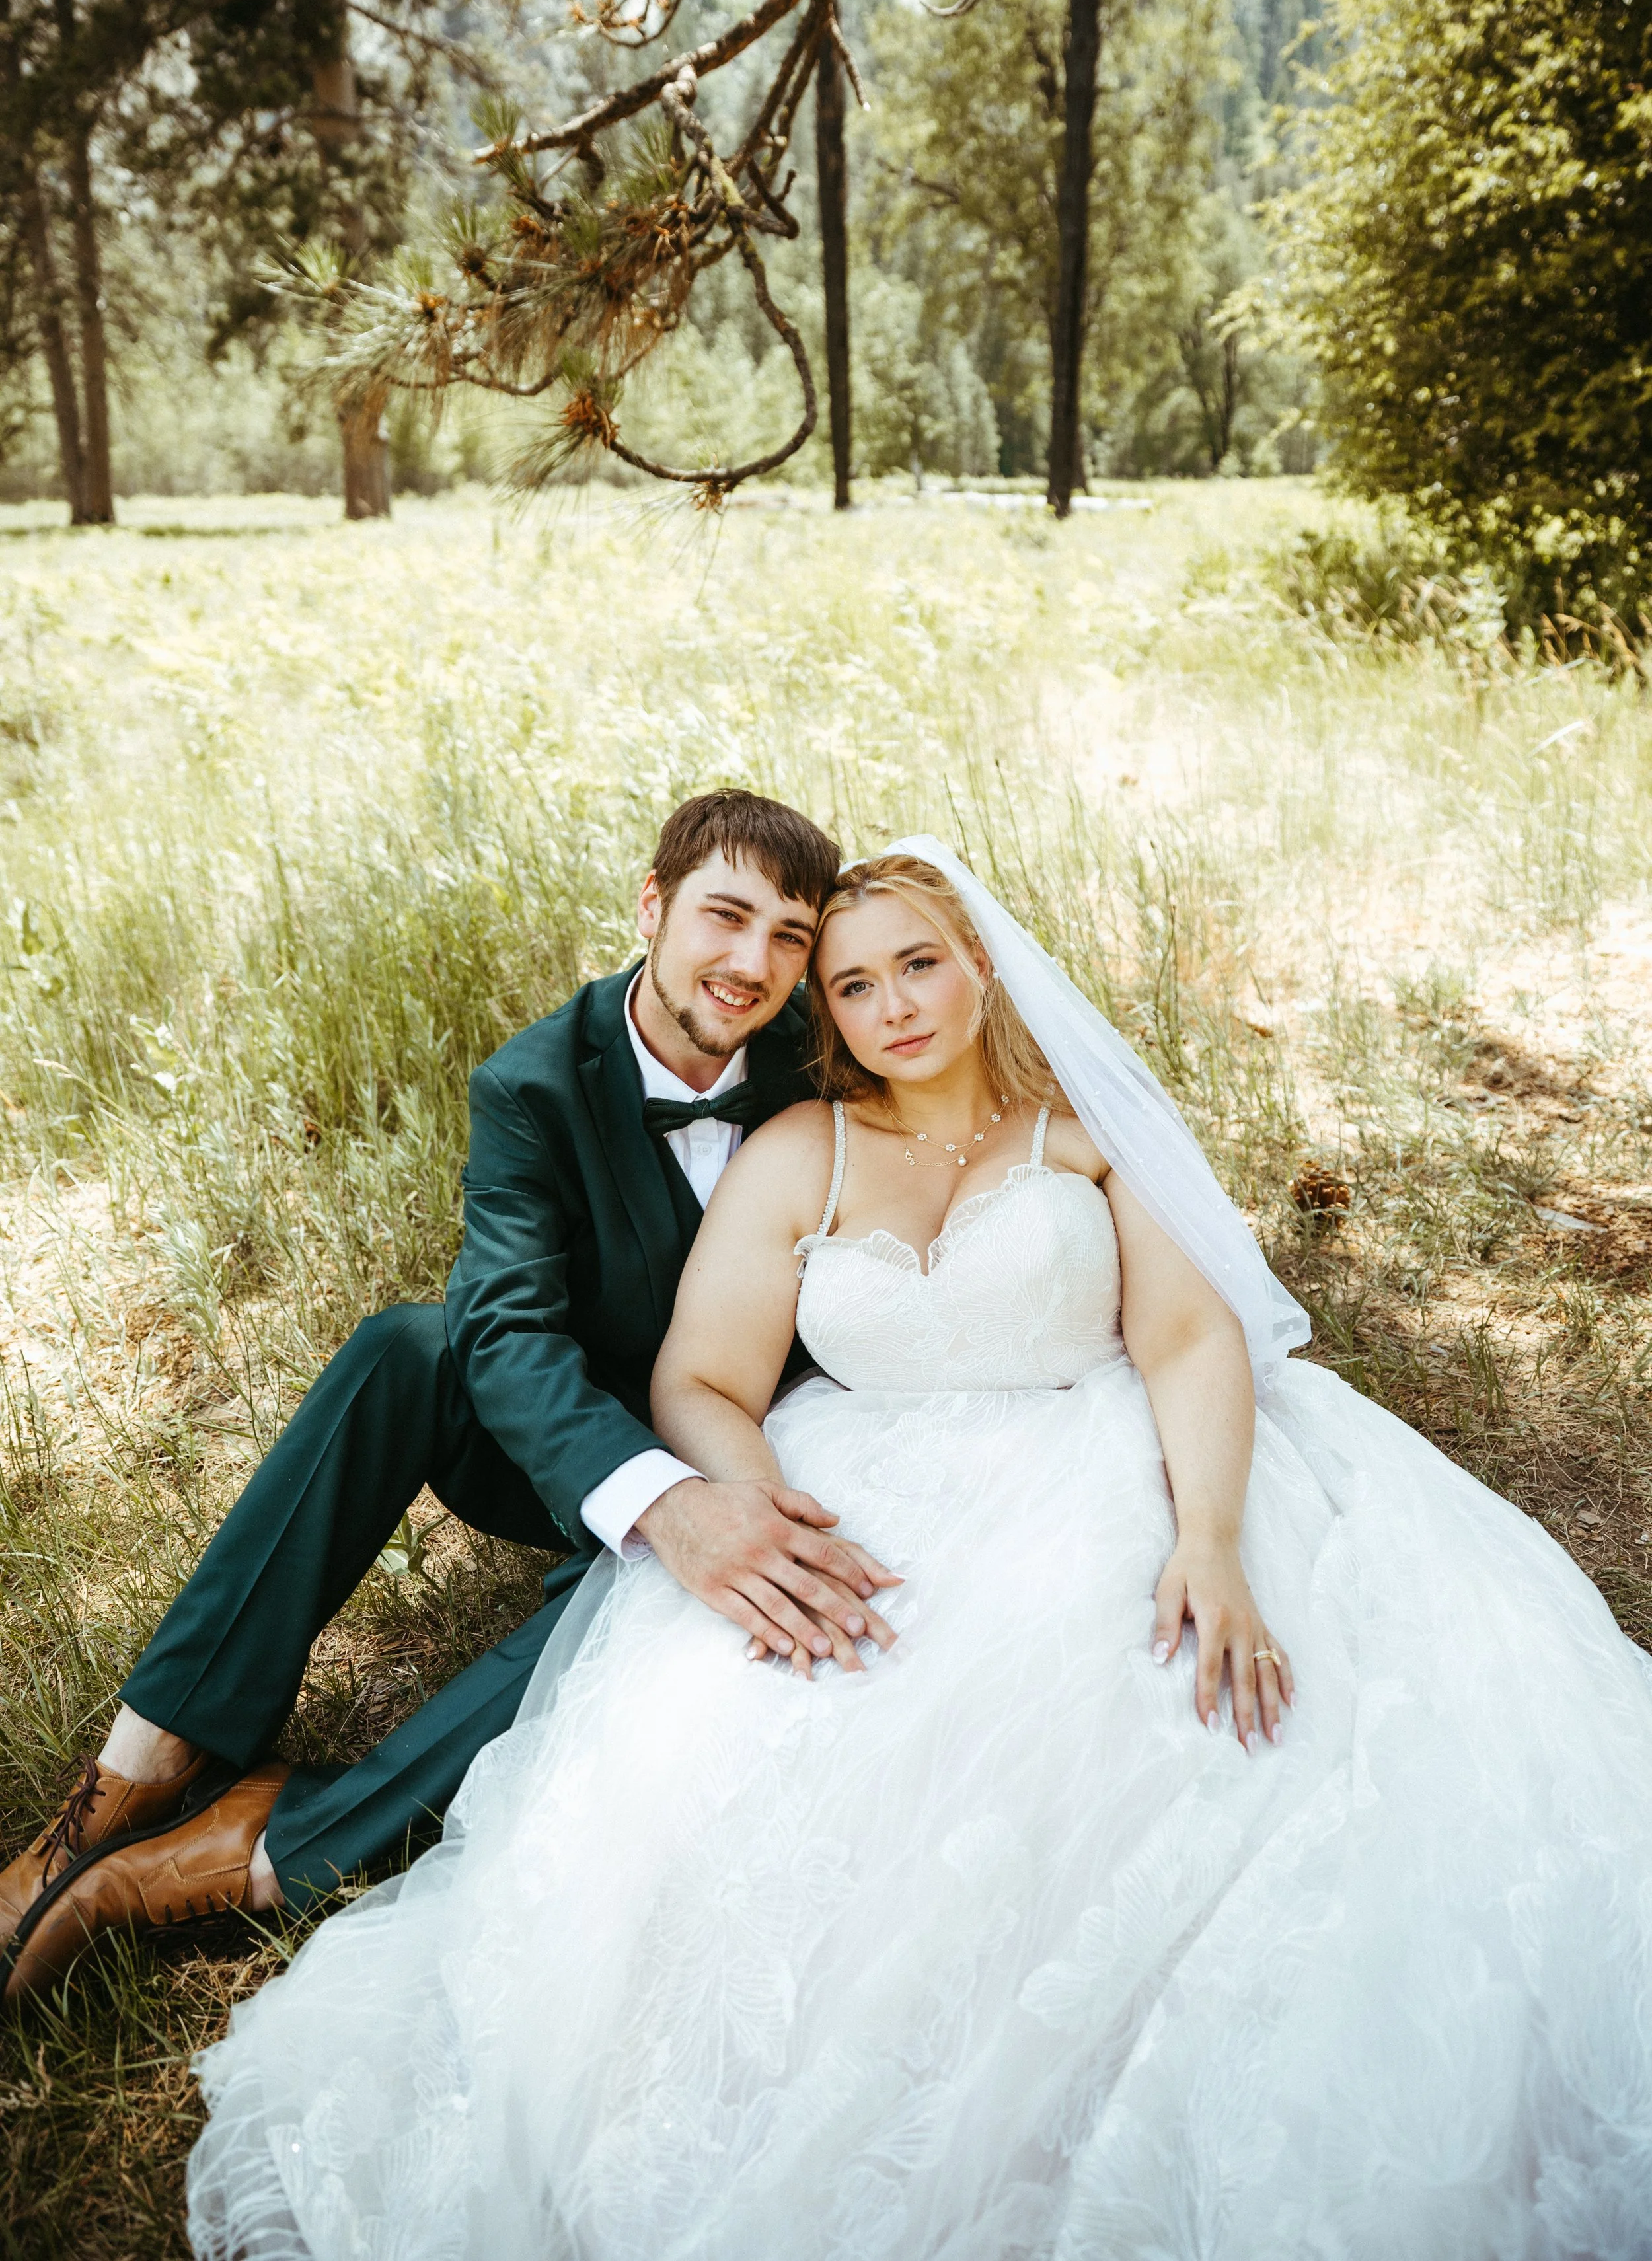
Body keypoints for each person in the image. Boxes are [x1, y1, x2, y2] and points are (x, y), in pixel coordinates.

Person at [180, 840, 1652, 2260]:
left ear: (982, 968)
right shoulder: (799, 1151)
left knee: (1150, 1740)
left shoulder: (1081, 1128)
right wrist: (755, 1508)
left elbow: (1189, 1335)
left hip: (1104, 1467)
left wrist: (1207, 1539)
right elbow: (702, 1381)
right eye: (855, 987)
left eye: (919, 966)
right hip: (866, 1492)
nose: (892, 1007)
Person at [0, 790, 903, 2005]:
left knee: (649, 1599)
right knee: (408, 1347)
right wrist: (660, 1500)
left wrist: (706, 1506)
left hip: (770, 1439)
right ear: (652, 905)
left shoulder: (832, 1051)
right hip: (581, 1436)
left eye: (788, 936)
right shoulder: (534, 1083)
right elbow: (509, 1333)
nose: (753, 964)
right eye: (724, 917)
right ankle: (135, 1772)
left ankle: (270, 1839)